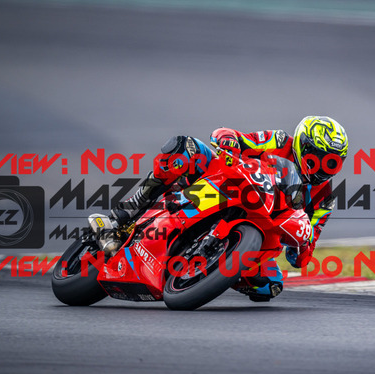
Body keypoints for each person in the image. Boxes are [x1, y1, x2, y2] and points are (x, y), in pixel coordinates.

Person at [111, 116, 348, 301]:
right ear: (301, 145)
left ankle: (217, 267)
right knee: (185, 148)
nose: (322, 167)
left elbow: (307, 246)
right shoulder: (278, 141)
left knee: (270, 285)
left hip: (265, 225)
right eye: (317, 157)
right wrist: (228, 141)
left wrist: (302, 246)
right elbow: (235, 136)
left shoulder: (324, 199)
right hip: (231, 185)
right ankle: (132, 207)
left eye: (331, 162)